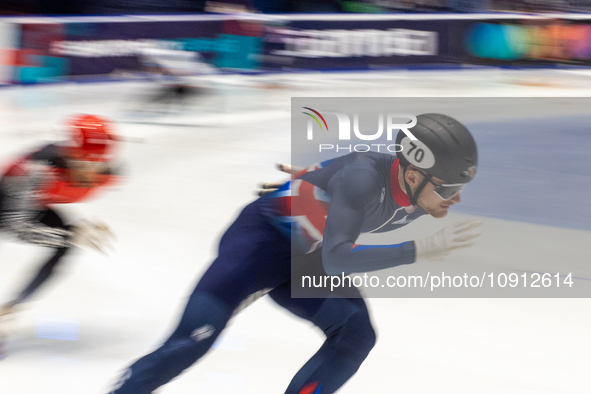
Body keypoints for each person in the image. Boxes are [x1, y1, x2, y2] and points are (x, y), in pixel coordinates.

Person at [108, 113, 482, 394]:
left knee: (355, 335)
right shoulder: (366, 179)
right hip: (261, 245)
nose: (457, 197)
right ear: (414, 175)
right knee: (192, 340)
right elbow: (340, 253)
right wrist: (418, 250)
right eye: (449, 187)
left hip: (309, 256)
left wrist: (305, 180)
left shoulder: (415, 191)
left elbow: (342, 178)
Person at [0, 114, 119, 319]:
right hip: (8, 199)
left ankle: (9, 310)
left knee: (63, 245)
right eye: (82, 163)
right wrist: (71, 235)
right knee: (65, 238)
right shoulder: (35, 171)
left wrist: (70, 236)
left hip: (35, 201)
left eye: (98, 164)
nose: (90, 173)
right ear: (67, 155)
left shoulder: (110, 174)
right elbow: (13, 225)